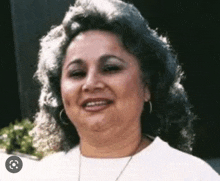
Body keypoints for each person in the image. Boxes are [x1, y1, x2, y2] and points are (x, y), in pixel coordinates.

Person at [29, 0, 219, 180]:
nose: (91, 83)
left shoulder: (191, 176)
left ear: (147, 86)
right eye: (77, 73)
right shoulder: (43, 175)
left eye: (110, 68)